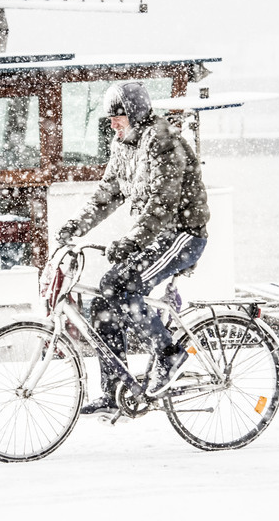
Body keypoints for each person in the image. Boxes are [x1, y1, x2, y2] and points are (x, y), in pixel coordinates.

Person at [56, 81, 210, 416]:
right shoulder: (123, 145)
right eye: (110, 117)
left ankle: (170, 355)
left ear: (136, 114)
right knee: (102, 301)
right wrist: (74, 226)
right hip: (156, 238)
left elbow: (162, 205)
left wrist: (130, 242)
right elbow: (107, 194)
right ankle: (115, 390)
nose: (113, 123)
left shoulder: (164, 142)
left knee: (121, 285)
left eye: (119, 116)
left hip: (183, 235)